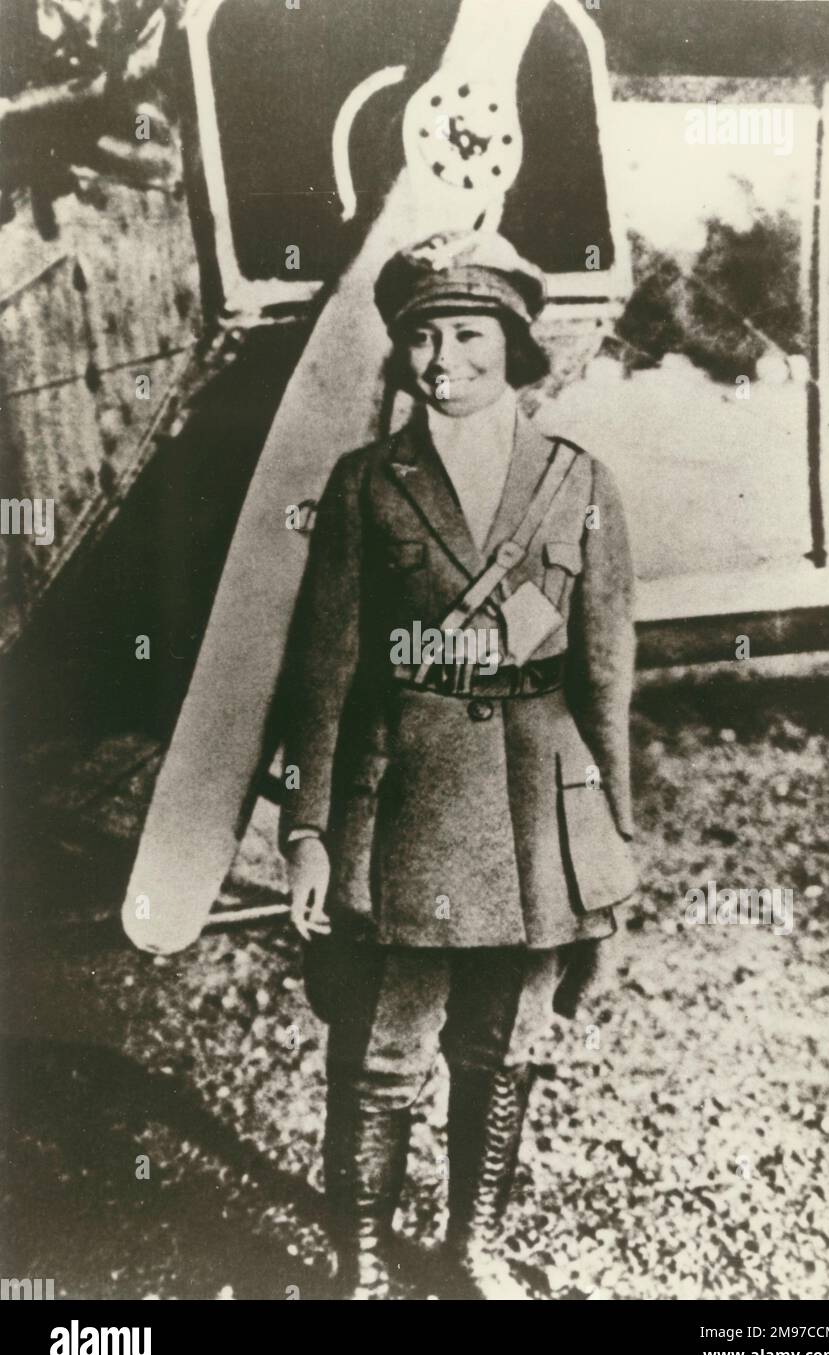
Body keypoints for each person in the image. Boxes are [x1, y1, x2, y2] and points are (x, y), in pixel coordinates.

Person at [279, 228, 638, 1300]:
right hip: (412, 810)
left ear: (515, 347)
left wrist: (614, 837)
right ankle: (365, 1264)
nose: (446, 361)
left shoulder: (580, 483)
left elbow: (607, 676)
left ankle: (470, 1249)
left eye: (470, 335)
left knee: (505, 1047)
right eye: (425, 338)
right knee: (385, 1051)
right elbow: (324, 673)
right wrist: (308, 830)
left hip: (541, 811)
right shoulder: (365, 483)